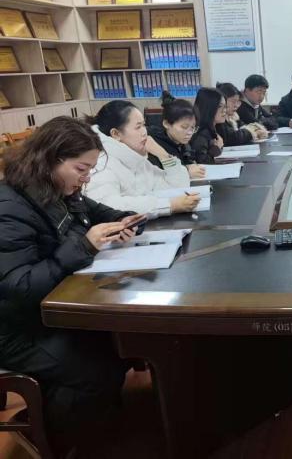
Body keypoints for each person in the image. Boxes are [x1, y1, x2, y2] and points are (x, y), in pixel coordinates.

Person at [0, 117, 142, 452]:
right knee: (95, 371)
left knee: (122, 345)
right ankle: (53, 441)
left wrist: (125, 220)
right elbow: (18, 286)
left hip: (45, 311)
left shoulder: (58, 190)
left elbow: (100, 212)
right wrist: (84, 246)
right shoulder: (10, 208)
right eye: (81, 168)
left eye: (90, 169)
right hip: (13, 328)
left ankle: (94, 423)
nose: (86, 178)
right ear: (50, 160)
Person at [86, 100, 199, 217]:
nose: (145, 132)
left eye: (144, 125)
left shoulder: (136, 160)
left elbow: (177, 188)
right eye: (138, 127)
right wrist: (168, 205)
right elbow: (107, 205)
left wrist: (164, 156)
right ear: (116, 134)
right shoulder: (101, 164)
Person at [148, 91, 206, 180]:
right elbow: (159, 175)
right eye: (184, 127)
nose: (189, 133)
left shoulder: (181, 142)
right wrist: (186, 171)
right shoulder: (155, 144)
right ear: (166, 124)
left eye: (192, 128)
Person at [189, 87, 227, 164]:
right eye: (219, 106)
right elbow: (202, 163)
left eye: (225, 106)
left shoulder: (213, 128)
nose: (224, 111)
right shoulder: (201, 134)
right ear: (208, 107)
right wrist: (216, 149)